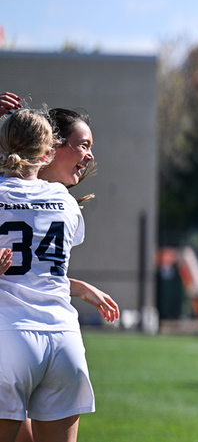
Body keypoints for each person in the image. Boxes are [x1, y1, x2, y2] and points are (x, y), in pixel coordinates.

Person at [0, 108, 91, 442]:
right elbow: (41, 268)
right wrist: (78, 289)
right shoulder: (65, 202)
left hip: (8, 336)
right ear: (48, 151)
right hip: (63, 339)